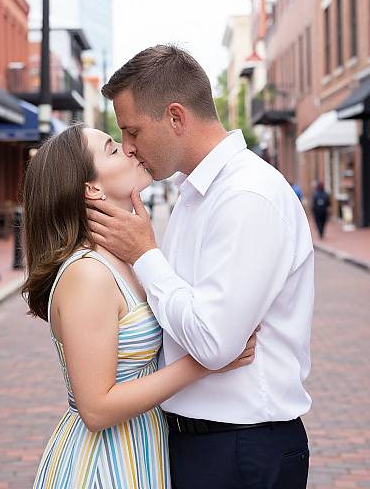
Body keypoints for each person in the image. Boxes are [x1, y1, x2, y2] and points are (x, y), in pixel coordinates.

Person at [88, 45, 314, 488]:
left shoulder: (246, 195)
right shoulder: (196, 194)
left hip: (241, 449)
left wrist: (145, 255)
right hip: (201, 444)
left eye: (132, 131)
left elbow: (214, 342)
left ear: (176, 117)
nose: (129, 148)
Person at [21, 124, 258, 489]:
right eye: (112, 149)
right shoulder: (88, 274)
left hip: (141, 447)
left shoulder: (124, 260)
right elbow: (96, 409)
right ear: (91, 189)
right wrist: (206, 362)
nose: (129, 150)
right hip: (104, 463)